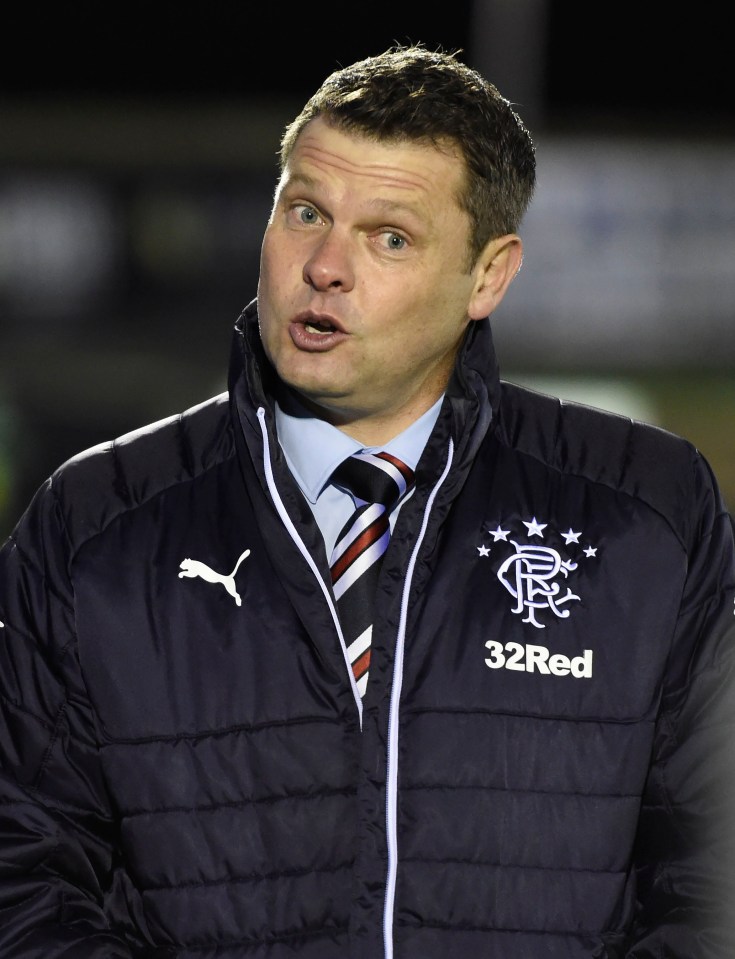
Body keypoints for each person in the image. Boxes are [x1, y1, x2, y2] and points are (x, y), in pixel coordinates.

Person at [0, 44, 733, 959]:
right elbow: (23, 871)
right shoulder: (96, 524)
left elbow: (712, 877)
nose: (325, 266)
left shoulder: (646, 513)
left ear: (488, 275)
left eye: (389, 235)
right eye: (305, 212)